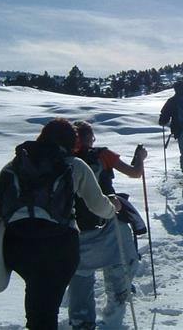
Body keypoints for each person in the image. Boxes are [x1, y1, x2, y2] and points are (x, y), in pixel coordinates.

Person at [0, 118, 120, 330]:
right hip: (59, 245)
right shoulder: (74, 165)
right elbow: (98, 205)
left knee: (37, 295)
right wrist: (114, 207)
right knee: (47, 303)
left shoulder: (16, 164)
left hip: (16, 245)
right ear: (72, 143)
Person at [67, 121, 147, 330]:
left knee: (81, 273)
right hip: (108, 216)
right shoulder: (103, 155)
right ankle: (118, 297)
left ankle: (81, 320)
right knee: (119, 259)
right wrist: (140, 158)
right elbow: (135, 173)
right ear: (90, 138)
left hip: (74, 226)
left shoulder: (62, 160)